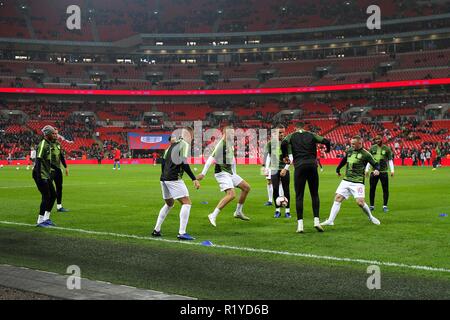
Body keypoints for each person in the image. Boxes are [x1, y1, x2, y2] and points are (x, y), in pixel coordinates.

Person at [281, 122, 331, 233]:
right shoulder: (311, 134)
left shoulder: (291, 136)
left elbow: (284, 143)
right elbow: (326, 141)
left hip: (299, 166)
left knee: (299, 196)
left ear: (295, 128)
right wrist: (328, 150)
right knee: (314, 194)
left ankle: (300, 226)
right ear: (304, 127)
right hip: (312, 165)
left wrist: (285, 156)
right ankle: (316, 222)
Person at [197, 126, 251, 227]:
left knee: (246, 187)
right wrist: (203, 173)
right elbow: (210, 159)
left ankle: (238, 212)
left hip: (230, 173)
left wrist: (235, 174)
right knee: (231, 195)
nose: (231, 135)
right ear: (224, 134)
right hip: (221, 173)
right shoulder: (221, 144)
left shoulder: (229, 144)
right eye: (229, 133)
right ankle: (213, 215)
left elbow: (233, 160)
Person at [152, 127, 200, 240]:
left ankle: (156, 230)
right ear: (189, 135)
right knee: (187, 202)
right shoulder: (184, 144)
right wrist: (194, 178)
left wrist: (164, 176)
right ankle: (182, 232)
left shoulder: (170, 146)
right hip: (174, 178)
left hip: (163, 178)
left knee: (169, 204)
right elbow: (184, 162)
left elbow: (163, 162)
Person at [322, 136, 381, 227]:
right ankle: (330, 220)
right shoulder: (349, 150)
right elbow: (344, 160)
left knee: (360, 203)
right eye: (351, 143)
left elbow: (376, 164)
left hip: (358, 181)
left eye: (353, 143)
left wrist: (377, 170)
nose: (351, 145)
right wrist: (338, 169)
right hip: (346, 179)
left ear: (359, 143)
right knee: (338, 198)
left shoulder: (366, 154)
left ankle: (371, 217)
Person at [32, 125, 57, 227]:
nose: (54, 135)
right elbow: (38, 160)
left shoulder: (48, 144)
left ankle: (46, 218)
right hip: (40, 174)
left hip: (45, 174)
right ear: (47, 134)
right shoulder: (43, 144)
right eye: (52, 133)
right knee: (46, 196)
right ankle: (40, 220)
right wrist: (39, 176)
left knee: (53, 195)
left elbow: (46, 161)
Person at [265, 125, 291, 218]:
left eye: (283, 132)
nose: (282, 134)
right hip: (274, 169)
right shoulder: (270, 143)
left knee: (286, 189)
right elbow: (268, 156)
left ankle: (288, 211)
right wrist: (266, 168)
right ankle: (277, 210)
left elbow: (291, 157)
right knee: (275, 189)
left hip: (284, 168)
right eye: (280, 132)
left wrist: (285, 168)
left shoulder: (287, 143)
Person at [365, 135, 394, 213]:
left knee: (385, 189)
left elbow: (390, 160)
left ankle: (385, 206)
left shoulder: (387, 149)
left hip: (384, 172)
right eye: (376, 139)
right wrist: (367, 170)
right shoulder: (372, 148)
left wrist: (392, 170)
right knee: (372, 189)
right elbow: (369, 160)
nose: (377, 140)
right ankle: (371, 206)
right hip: (373, 172)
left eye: (379, 139)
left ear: (382, 139)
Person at [51, 129, 70, 213]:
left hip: (57, 169)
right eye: (54, 133)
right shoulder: (47, 144)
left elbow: (61, 156)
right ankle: (46, 208)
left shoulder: (58, 144)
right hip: (49, 170)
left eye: (56, 134)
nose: (55, 135)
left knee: (59, 188)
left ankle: (59, 206)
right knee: (48, 190)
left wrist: (65, 167)